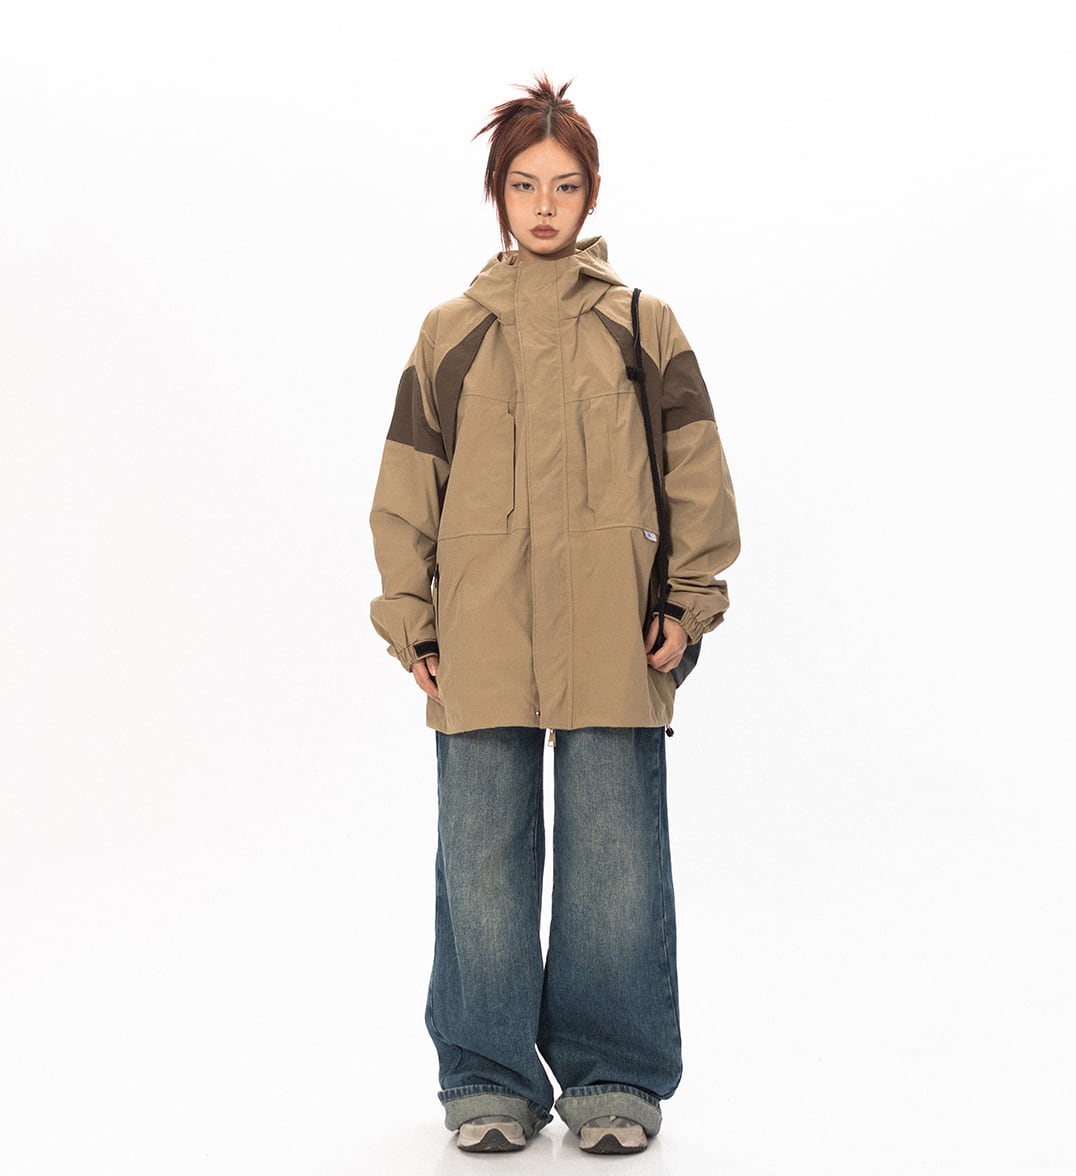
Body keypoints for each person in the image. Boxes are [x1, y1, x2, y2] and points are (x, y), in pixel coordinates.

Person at [369, 75, 741, 1155]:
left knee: (615, 863)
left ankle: (613, 1078)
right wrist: (411, 621)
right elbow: (407, 487)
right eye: (525, 185)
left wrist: (691, 603)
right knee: (481, 861)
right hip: (480, 632)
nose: (545, 206)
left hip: (615, 631)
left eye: (565, 185)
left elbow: (696, 472)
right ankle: (486, 1079)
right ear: (498, 194)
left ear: (592, 194)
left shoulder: (641, 325)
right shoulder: (449, 334)